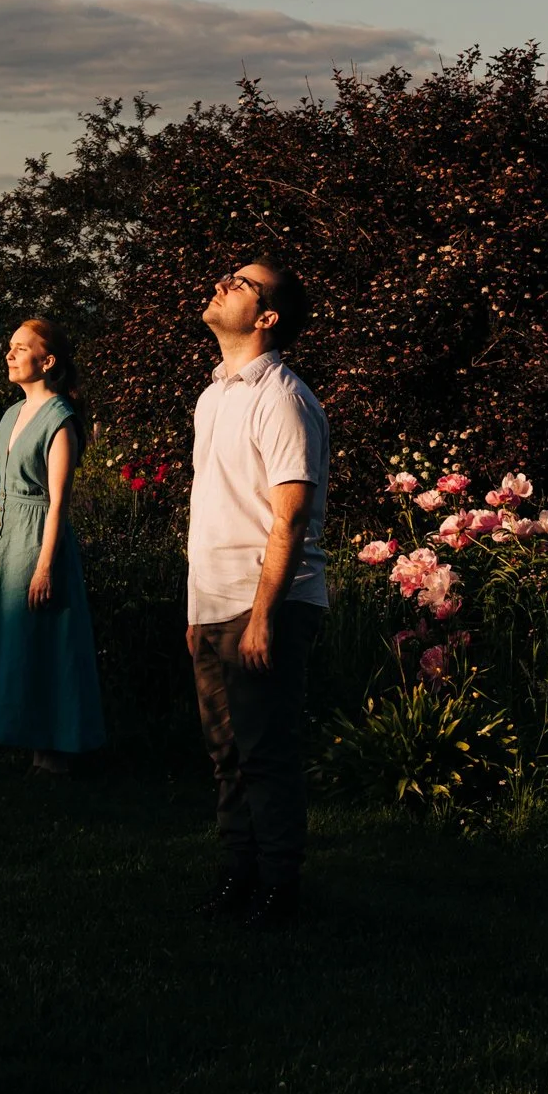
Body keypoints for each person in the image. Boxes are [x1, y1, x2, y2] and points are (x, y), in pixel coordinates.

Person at [187, 258, 329, 930]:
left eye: (240, 283)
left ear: (267, 317)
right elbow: (210, 508)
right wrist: (196, 612)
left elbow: (290, 514)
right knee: (226, 756)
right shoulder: (215, 394)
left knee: (265, 756)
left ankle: (279, 890)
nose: (222, 283)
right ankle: (236, 879)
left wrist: (263, 617)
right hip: (214, 606)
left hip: (263, 605)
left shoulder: (283, 397)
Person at [0, 318, 105, 773]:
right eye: (9, 346)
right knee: (13, 640)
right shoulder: (11, 415)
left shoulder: (61, 420)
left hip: (37, 539)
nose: (9, 355)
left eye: (20, 348)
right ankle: (18, 736)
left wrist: (46, 566)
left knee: (45, 638)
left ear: (47, 362)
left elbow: (58, 503)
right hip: (7, 539)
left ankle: (53, 751)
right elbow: (0, 490)